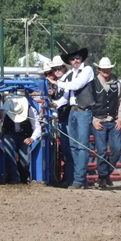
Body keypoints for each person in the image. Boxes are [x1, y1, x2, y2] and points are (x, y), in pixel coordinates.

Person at [48, 47, 95, 189]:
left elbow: (77, 85)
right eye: (72, 58)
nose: (75, 60)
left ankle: (79, 179)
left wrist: (57, 83)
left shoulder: (87, 70)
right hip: (73, 111)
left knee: (81, 146)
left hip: (83, 110)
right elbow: (66, 97)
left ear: (82, 59)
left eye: (78, 58)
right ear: (69, 61)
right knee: (74, 145)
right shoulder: (70, 75)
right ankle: (79, 178)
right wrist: (54, 104)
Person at [90, 57, 121, 188]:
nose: (106, 71)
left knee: (117, 149)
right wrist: (93, 119)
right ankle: (103, 177)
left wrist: (120, 118)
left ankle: (104, 175)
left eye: (108, 68)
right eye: (103, 69)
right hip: (99, 120)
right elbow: (89, 103)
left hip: (113, 120)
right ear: (99, 69)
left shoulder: (117, 84)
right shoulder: (93, 83)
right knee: (102, 151)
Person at [0, 95, 42, 184]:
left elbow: (37, 127)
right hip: (9, 133)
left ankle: (23, 178)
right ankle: (14, 179)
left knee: (25, 161)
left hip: (24, 135)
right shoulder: (6, 109)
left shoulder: (30, 110)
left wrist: (32, 138)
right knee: (9, 154)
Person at [50, 55, 73, 187]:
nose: (57, 70)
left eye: (59, 68)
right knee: (67, 149)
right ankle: (69, 177)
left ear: (64, 67)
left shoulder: (67, 80)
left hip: (68, 118)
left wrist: (54, 104)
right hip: (64, 118)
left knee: (70, 149)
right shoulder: (62, 81)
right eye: (55, 69)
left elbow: (65, 99)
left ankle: (71, 178)